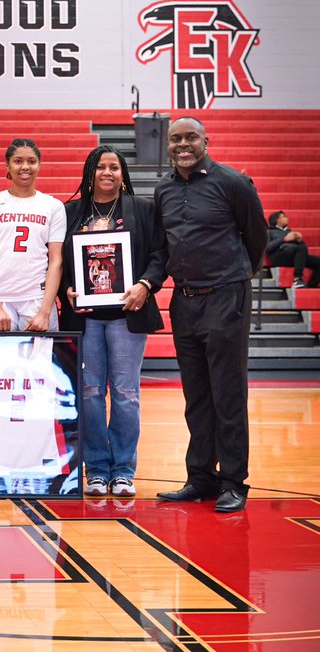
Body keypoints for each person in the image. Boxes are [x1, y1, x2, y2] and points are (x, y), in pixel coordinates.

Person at [153, 117, 266, 513]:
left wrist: (233, 278)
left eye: (190, 137)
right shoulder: (164, 190)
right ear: (168, 144)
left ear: (205, 140)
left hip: (225, 298)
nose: (183, 144)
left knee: (228, 394)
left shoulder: (233, 183)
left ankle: (233, 481)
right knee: (196, 395)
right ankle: (200, 477)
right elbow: (163, 248)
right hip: (184, 301)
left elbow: (257, 237)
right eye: (176, 139)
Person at [59, 145, 165, 498]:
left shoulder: (142, 209)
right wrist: (67, 291)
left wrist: (145, 285)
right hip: (85, 318)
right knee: (88, 393)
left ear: (123, 175)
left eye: (114, 168)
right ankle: (97, 470)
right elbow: (57, 262)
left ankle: (122, 470)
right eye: (100, 167)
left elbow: (159, 255)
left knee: (125, 394)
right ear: (89, 174)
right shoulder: (71, 211)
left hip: (127, 315)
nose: (107, 173)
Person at [0, 138, 66, 332]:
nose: (25, 167)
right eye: (18, 161)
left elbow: (56, 261)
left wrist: (45, 311)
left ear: (39, 165)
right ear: (7, 165)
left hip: (37, 300)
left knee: (40, 363)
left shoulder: (53, 206)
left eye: (31, 161)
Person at [267, 211, 319, 288]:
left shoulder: (290, 231)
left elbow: (304, 250)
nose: (286, 219)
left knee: (317, 261)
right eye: (283, 217)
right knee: (300, 249)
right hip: (280, 256)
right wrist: (284, 239)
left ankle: (311, 285)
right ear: (277, 220)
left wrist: (300, 240)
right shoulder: (269, 232)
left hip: (295, 256)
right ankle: (297, 278)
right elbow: (267, 248)